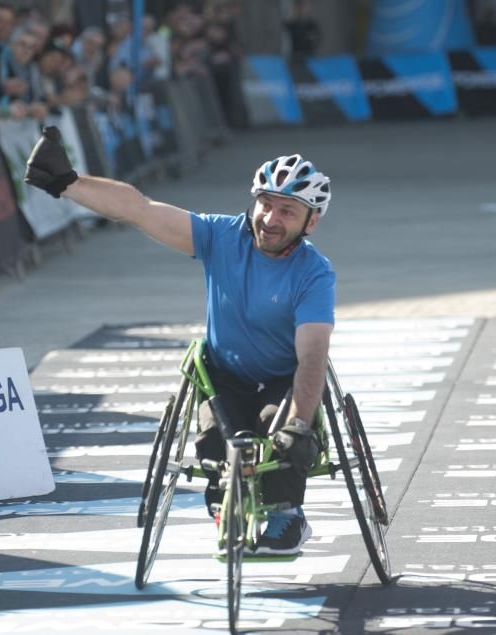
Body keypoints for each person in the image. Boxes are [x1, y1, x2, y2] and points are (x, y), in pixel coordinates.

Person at [24, 129, 335, 556]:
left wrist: (299, 423)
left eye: (287, 210)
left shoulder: (314, 274)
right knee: (214, 442)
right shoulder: (221, 236)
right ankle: (223, 499)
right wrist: (67, 182)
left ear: (310, 221)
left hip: (284, 377)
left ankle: (286, 516)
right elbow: (140, 209)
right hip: (225, 372)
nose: (270, 219)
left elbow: (313, 356)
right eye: (265, 204)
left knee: (276, 433)